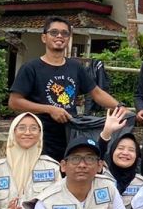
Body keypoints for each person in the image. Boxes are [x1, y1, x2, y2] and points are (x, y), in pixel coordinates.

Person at [8, 16, 121, 161]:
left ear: (68, 38)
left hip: (70, 136)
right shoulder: (31, 68)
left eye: (64, 33)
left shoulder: (75, 67)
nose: (59, 36)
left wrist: (119, 107)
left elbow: (96, 92)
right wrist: (50, 109)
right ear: (44, 37)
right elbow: (14, 102)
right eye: (54, 32)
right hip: (39, 138)